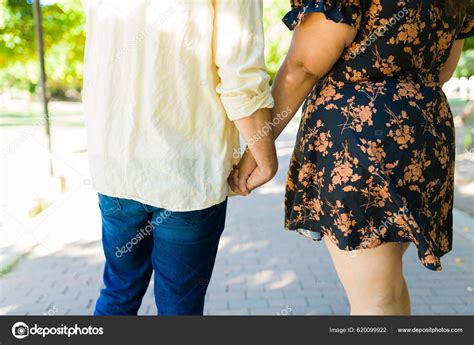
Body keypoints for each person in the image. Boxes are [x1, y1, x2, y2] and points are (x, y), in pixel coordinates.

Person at [231, 0, 474, 315]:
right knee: (386, 288)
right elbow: (443, 70)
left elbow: (303, 65)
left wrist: (257, 148)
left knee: (375, 299)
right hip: (424, 136)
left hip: (360, 144)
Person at [82, 0, 277, 315]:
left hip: (117, 163)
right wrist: (265, 157)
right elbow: (240, 72)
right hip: (188, 169)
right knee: (180, 306)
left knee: (119, 292)